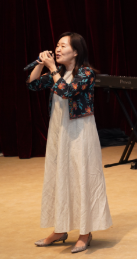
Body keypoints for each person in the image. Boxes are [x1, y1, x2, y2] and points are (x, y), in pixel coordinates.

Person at [28, 32, 110, 254]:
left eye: (63, 46)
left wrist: (52, 68)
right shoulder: (60, 72)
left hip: (80, 132)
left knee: (81, 177)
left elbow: (67, 92)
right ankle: (60, 229)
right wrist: (39, 64)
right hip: (59, 131)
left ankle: (85, 233)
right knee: (59, 176)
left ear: (76, 51)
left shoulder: (86, 73)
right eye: (57, 45)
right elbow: (33, 85)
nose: (57, 49)